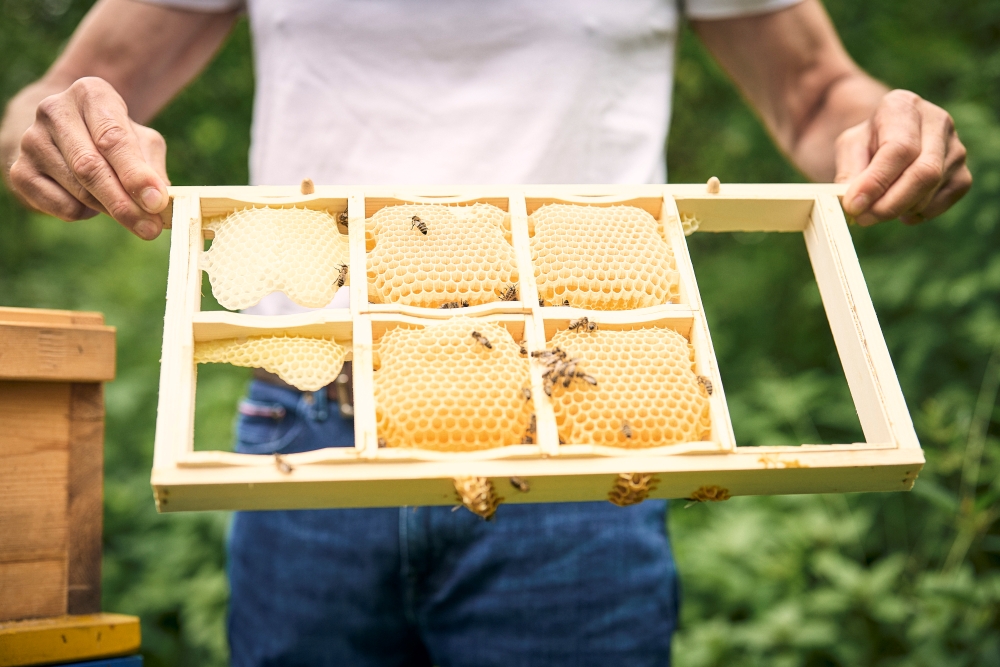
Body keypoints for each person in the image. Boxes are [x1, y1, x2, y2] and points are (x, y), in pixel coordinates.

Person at [0, 1, 971, 665]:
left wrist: (880, 129)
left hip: (588, 437)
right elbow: (53, 100)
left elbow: (813, 94)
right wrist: (54, 129)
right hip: (309, 429)